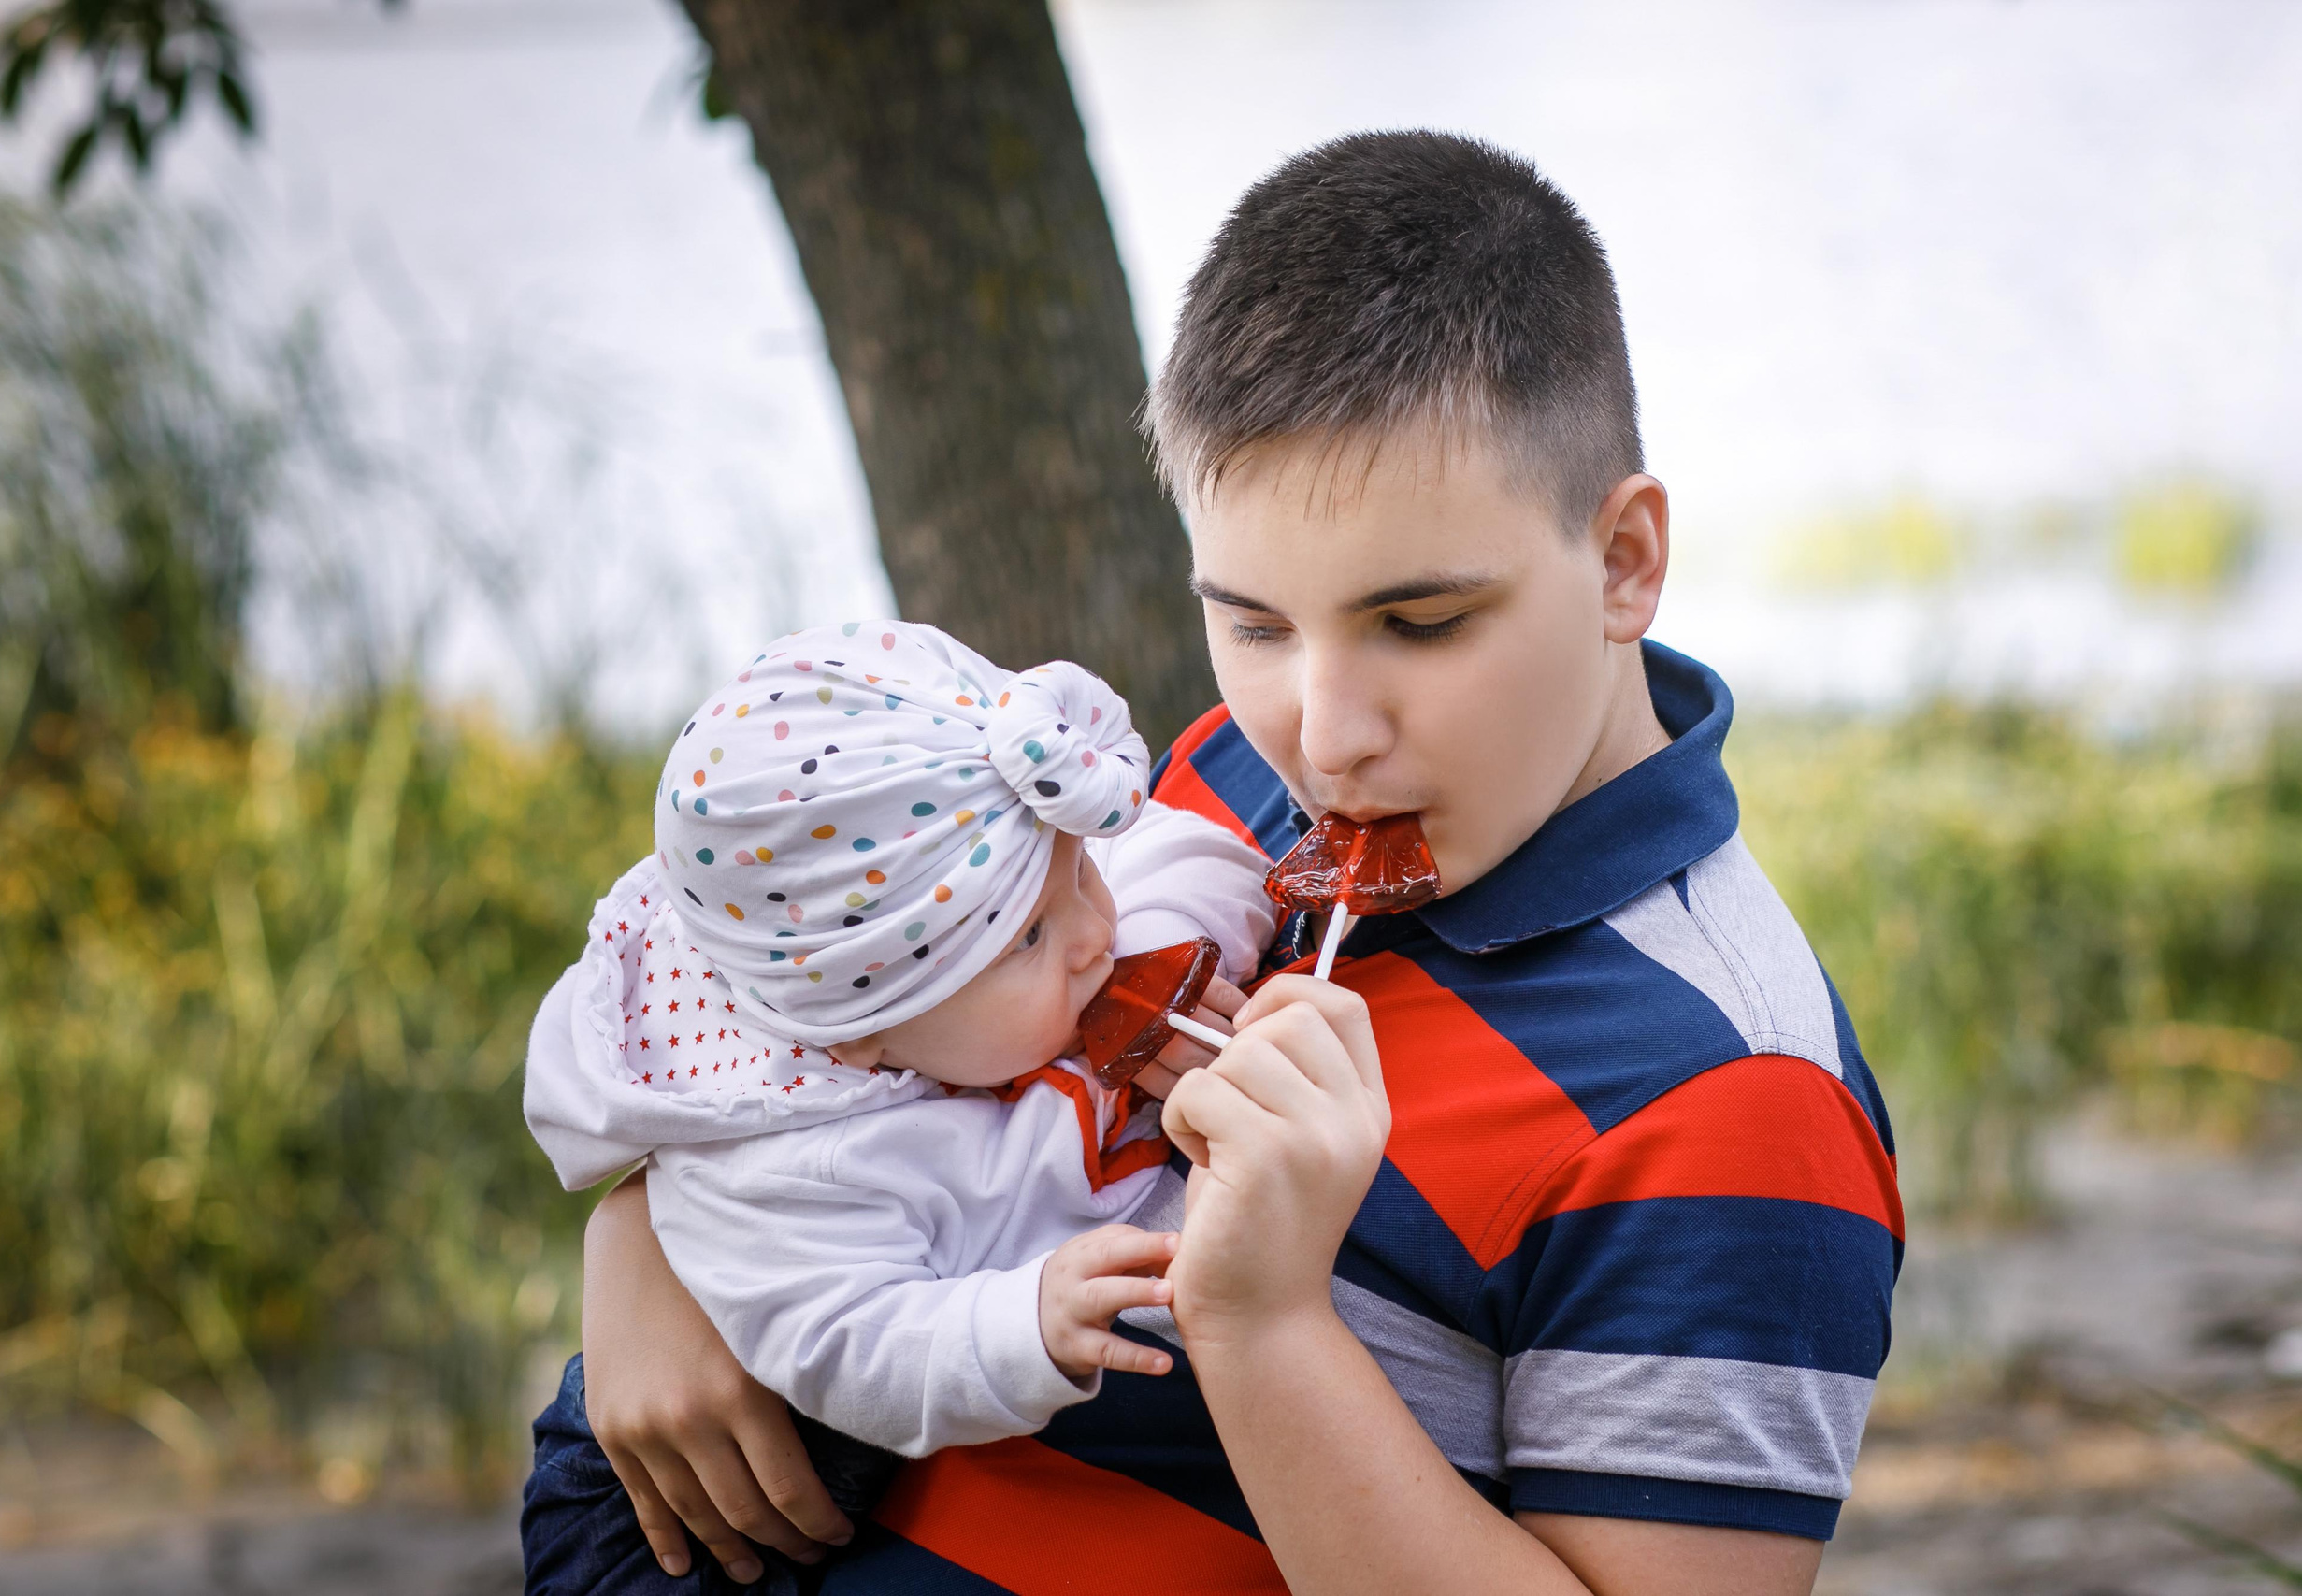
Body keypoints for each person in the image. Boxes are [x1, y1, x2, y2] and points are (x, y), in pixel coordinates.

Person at [567, 131, 1903, 1596]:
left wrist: (1265, 1324)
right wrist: (656, 1231)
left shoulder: (1734, 1098)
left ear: (1627, 560)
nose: (1323, 736)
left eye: (1420, 622)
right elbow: (850, 1000)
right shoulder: (1230, 785)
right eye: (1255, 622)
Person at [518, 624, 1278, 1589]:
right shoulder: (788, 1169)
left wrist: (1164, 950)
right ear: (859, 1035)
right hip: (666, 1531)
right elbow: (852, 1347)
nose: (1096, 931)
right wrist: (1020, 1323)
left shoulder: (1008, 881)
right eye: (1030, 940)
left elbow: (1187, 851)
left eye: (1081, 871)